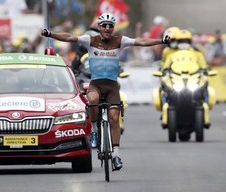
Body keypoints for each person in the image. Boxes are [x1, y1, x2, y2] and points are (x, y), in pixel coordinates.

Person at [41, 12, 170, 171]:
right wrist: (50, 34)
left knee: (114, 118)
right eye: (104, 25)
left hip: (112, 86)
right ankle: (94, 130)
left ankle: (116, 155)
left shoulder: (120, 40)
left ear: (113, 28)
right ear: (99, 28)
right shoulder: (90, 40)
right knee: (92, 100)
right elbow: (69, 37)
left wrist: (161, 40)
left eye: (110, 26)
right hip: (96, 83)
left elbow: (141, 41)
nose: (107, 28)